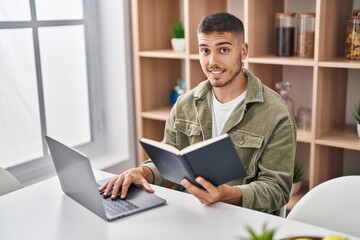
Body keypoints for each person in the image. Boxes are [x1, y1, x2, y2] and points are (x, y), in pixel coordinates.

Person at [100, 12, 296, 214]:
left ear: (243, 51)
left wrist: (227, 194)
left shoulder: (276, 114)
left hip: (243, 220)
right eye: (204, 50)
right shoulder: (184, 104)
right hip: (188, 214)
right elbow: (168, 163)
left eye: (224, 49)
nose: (213, 61)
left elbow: (277, 190)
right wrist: (141, 172)